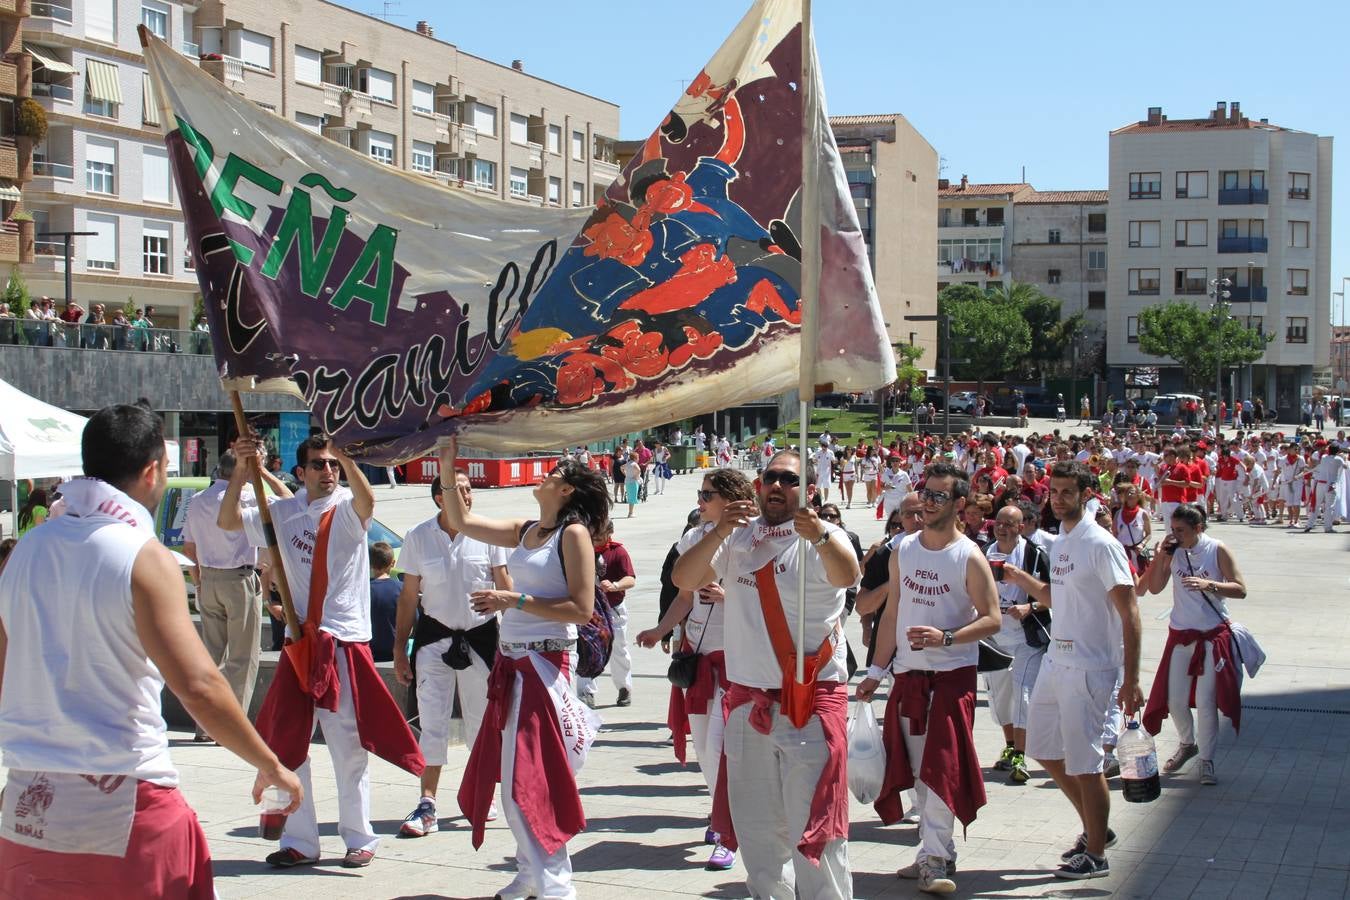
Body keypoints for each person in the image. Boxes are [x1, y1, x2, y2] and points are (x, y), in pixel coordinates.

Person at [0, 404, 302, 897]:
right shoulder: (143, 555)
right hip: (125, 796)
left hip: (32, 802)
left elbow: (5, 670)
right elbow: (199, 685)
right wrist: (269, 764)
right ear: (152, 470)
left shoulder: (27, 549)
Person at [219, 433, 423, 869]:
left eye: (333, 464)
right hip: (299, 641)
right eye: (319, 465)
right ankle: (300, 841)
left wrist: (352, 461)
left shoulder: (346, 506)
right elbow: (228, 521)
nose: (328, 471)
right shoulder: (284, 510)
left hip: (343, 640)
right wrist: (241, 469)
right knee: (286, 743)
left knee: (348, 747)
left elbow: (368, 504)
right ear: (301, 472)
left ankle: (359, 838)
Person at [672, 450, 860, 899]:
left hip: (809, 705)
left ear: (809, 490)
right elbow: (684, 577)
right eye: (770, 477)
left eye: (789, 479)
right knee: (758, 835)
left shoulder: (824, 536)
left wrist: (818, 537)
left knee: (816, 834)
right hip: (746, 704)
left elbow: (847, 574)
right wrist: (718, 529)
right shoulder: (737, 538)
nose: (777, 485)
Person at [442, 439, 605, 900]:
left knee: (527, 780)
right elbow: (462, 521)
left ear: (568, 490)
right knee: (516, 778)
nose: (544, 475)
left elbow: (581, 608)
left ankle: (554, 885)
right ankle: (532, 875)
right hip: (513, 664)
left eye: (554, 473)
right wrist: (450, 464)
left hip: (545, 667)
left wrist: (512, 600)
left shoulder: (571, 535)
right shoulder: (527, 529)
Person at [857, 461, 1001, 894]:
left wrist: (947, 637)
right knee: (918, 769)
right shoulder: (904, 549)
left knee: (940, 766)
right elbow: (893, 615)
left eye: (939, 495)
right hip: (908, 676)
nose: (927, 500)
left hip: (951, 676)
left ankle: (937, 857)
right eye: (926, 491)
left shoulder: (969, 556)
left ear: (959, 504)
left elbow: (992, 619)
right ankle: (931, 852)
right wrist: (876, 671)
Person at [637, 467, 757, 872]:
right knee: (705, 748)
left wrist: (731, 597)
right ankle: (718, 811)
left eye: (708, 494)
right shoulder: (692, 539)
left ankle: (729, 833)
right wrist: (660, 630)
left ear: (730, 498)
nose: (700, 501)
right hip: (700, 658)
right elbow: (684, 596)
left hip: (740, 661)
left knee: (725, 748)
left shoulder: (754, 538)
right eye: (701, 494)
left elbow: (772, 602)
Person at [1026, 460, 1141, 880]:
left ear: (1086, 494)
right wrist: (1019, 579)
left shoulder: (1100, 543)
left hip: (1091, 667)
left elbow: (1130, 614)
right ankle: (1098, 830)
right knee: (1043, 748)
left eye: (1067, 493)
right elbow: (1059, 600)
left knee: (1086, 764)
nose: (1057, 499)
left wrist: (1131, 679)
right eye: (1053, 492)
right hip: (1056, 660)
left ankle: (1096, 856)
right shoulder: (1062, 539)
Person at [393, 471, 511, 837]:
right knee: (433, 721)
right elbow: (409, 596)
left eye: (469, 489)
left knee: (482, 721)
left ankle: (482, 793)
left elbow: (506, 588)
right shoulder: (418, 537)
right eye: (456, 489)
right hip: (434, 638)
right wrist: (399, 646)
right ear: (438, 498)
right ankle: (427, 804)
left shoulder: (489, 535)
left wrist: (517, 638)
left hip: (481, 638)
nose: (465, 495)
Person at [181, 450, 292, 742]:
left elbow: (189, 549)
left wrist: (200, 583)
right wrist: (263, 473)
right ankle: (231, 729)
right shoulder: (248, 497)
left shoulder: (197, 500)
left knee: (211, 655)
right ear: (242, 472)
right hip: (240, 578)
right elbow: (289, 500)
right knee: (242, 658)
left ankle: (204, 725)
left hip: (208, 578)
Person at [1142, 504, 1248, 786]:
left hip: (1212, 636)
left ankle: (1207, 761)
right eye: (1172, 530)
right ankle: (1188, 744)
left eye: (1181, 531)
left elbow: (1241, 589)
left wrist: (1209, 584)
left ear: (1198, 528)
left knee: (1205, 700)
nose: (1175, 536)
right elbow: (1154, 588)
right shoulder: (1173, 550)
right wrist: (1159, 558)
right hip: (1180, 635)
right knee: (1175, 700)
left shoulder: (1217, 549)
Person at [982, 504, 1053, 786]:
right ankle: (1011, 745)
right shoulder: (983, 553)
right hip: (994, 635)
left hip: (1027, 637)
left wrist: (1029, 606)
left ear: (1021, 527)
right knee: (1001, 697)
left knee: (1023, 692)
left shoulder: (1035, 556)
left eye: (1009, 523)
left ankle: (1021, 756)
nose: (1002, 527)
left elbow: (1054, 595)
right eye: (998, 522)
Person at [577, 522, 636, 708]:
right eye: (593, 535)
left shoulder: (618, 552)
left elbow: (630, 579)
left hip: (613, 608)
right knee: (587, 648)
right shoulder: (581, 551)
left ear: (610, 533)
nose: (596, 539)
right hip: (590, 610)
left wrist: (616, 585)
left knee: (618, 648)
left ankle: (624, 687)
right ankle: (586, 692)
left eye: (600, 535)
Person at [367, 541, 401, 662]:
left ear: (370, 564)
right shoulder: (401, 589)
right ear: (393, 563)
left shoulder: (364, 590)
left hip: (370, 651)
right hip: (396, 652)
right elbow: (414, 619)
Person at [1305, 444, 1345, 533]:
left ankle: (1309, 524)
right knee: (1329, 507)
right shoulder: (1339, 459)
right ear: (1338, 452)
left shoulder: (1324, 457)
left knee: (1316, 505)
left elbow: (1324, 456)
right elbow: (1345, 466)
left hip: (1320, 483)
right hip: (1331, 484)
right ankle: (1328, 527)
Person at [879, 453, 913, 521]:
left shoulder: (904, 474)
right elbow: (881, 486)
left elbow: (910, 490)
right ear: (890, 463)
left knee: (901, 519)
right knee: (891, 520)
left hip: (900, 500)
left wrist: (911, 502)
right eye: (893, 461)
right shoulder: (886, 473)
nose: (895, 463)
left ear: (900, 463)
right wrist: (886, 487)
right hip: (889, 500)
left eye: (897, 461)